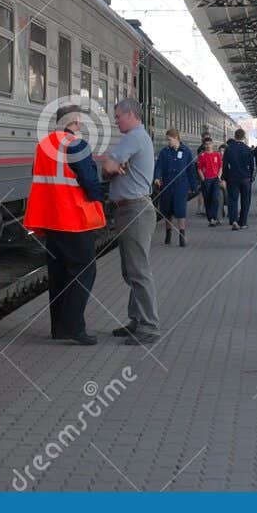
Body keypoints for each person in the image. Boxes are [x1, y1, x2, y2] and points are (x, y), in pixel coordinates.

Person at [22, 103, 105, 345]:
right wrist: (98, 196)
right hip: (73, 219)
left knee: (58, 272)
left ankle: (58, 327)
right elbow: (90, 181)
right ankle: (74, 328)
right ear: (75, 122)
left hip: (49, 219)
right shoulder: (76, 145)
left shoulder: (42, 146)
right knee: (84, 270)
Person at [101, 98, 159, 345]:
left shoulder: (134, 137)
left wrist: (109, 162)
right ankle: (137, 319)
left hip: (134, 210)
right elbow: (112, 165)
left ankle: (149, 326)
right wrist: (112, 163)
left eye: (118, 116)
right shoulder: (138, 138)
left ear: (130, 115)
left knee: (138, 271)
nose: (116, 121)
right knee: (131, 270)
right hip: (131, 210)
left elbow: (109, 166)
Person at [153, 129, 198, 247]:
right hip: (167, 186)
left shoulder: (186, 152)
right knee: (167, 211)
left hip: (181, 186)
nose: (168, 142)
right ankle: (168, 234)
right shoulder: (164, 152)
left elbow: (191, 171)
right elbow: (159, 166)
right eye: (167, 140)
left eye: (169, 140)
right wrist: (157, 177)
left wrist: (194, 186)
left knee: (180, 211)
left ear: (176, 138)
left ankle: (182, 235)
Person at [223, 128, 255, 230]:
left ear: (235, 136)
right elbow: (252, 165)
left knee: (232, 200)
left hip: (232, 178)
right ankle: (243, 222)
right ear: (244, 137)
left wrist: (225, 177)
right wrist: (251, 177)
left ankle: (234, 221)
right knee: (246, 200)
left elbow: (225, 165)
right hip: (245, 178)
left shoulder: (229, 148)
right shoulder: (247, 149)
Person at [197, 136, 224, 226]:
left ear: (212, 144)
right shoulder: (202, 156)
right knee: (207, 200)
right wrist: (203, 179)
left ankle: (214, 217)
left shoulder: (217, 154)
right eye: (206, 144)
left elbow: (220, 166)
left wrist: (219, 177)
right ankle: (211, 219)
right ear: (204, 145)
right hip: (206, 180)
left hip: (215, 179)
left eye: (209, 144)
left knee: (215, 198)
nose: (208, 146)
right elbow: (199, 169)